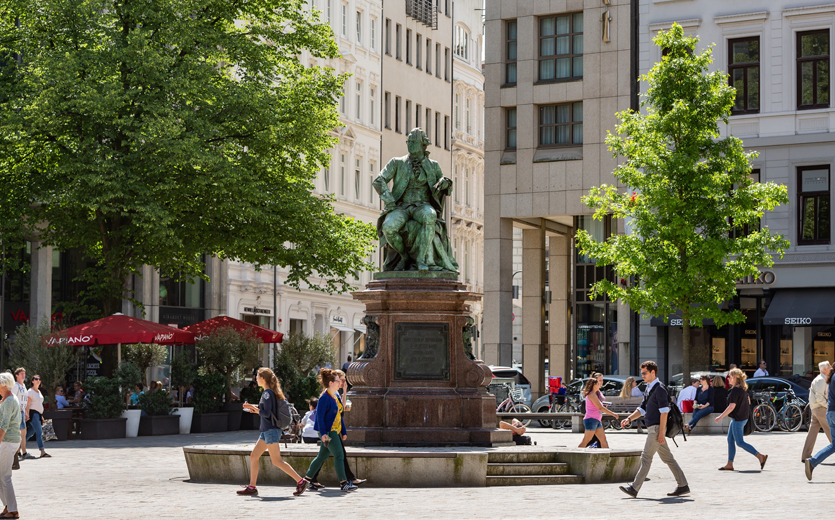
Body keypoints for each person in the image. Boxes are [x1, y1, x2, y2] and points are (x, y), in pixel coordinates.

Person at [619, 361, 689, 498]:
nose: (642, 375)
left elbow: (664, 412)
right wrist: (629, 419)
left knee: (646, 458)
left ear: (653, 372)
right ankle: (683, 485)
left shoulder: (660, 389)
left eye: (644, 373)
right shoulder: (649, 388)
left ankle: (634, 488)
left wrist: (661, 433)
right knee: (668, 459)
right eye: (642, 373)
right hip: (654, 428)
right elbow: (642, 408)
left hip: (656, 429)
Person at [237, 368, 307, 497]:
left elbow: (266, 413)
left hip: (270, 430)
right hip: (267, 430)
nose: (256, 379)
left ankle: (301, 481)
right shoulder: (269, 393)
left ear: (263, 379)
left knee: (277, 461)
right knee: (254, 456)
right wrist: (253, 408)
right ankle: (252, 487)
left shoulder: (267, 394)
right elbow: (268, 410)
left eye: (257, 377)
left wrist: (254, 409)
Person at [301, 368, 358, 492]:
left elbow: (339, 415)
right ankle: (343, 483)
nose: (340, 383)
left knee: (322, 456)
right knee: (339, 455)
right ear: (331, 383)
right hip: (328, 431)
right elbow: (320, 418)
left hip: (334, 431)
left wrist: (343, 431)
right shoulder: (324, 398)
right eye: (338, 381)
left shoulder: (335, 396)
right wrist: (323, 434)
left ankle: (305, 480)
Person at [715, 368, 767, 471]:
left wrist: (720, 417)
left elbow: (731, 406)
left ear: (734, 378)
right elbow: (748, 402)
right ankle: (730, 464)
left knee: (739, 442)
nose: (728, 379)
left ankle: (760, 456)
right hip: (741, 418)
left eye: (729, 377)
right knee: (730, 440)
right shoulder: (743, 389)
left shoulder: (735, 390)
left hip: (738, 419)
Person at [805, 360, 835, 480]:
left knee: (834, 445)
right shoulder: (824, 379)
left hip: (830, 413)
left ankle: (812, 462)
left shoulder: (831, 378)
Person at [0, 372, 21, 518]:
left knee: (5, 476)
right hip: (9, 440)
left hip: (7, 441)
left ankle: (13, 510)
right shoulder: (7, 399)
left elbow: (4, 424)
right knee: (2, 475)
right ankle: (8, 506)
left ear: (3, 384)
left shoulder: (8, 401)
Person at [579, 374, 619, 449]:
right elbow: (600, 408)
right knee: (586, 440)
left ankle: (607, 457)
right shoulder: (591, 395)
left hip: (596, 420)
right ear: (594, 385)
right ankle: (575, 454)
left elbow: (599, 406)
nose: (600, 385)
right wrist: (613, 414)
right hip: (591, 420)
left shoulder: (594, 394)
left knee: (603, 440)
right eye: (598, 383)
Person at [24, 375, 48, 459]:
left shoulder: (39, 391)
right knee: (39, 432)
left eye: (39, 379)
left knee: (30, 432)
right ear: (32, 381)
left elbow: (39, 404)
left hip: (38, 414)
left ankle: (19, 447)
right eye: (36, 379)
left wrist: (41, 415)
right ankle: (42, 451)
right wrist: (26, 414)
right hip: (33, 414)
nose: (38, 380)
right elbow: (28, 404)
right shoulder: (30, 391)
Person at [11, 370, 31, 463]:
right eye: (21, 374)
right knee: (22, 432)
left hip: (22, 412)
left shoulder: (23, 386)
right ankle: (24, 453)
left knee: (22, 432)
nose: (24, 375)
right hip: (18, 412)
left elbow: (25, 400)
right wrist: (18, 408)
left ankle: (18, 452)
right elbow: (12, 397)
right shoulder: (15, 385)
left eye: (24, 373)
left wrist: (26, 412)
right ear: (17, 375)